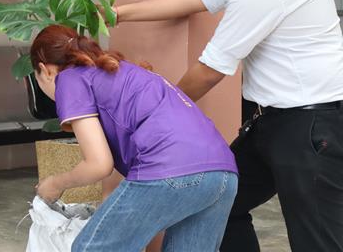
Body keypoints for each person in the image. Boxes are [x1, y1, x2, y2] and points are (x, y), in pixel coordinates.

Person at [113, 0, 343, 251]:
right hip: (272, 121)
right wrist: (119, 13)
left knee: (317, 241)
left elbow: (211, 69)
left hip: (309, 126)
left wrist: (157, 112)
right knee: (220, 199)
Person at [32, 24, 238, 251]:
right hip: (223, 173)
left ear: (45, 70)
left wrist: (55, 184)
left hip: (170, 168)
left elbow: (99, 165)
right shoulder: (122, 70)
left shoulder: (69, 79)